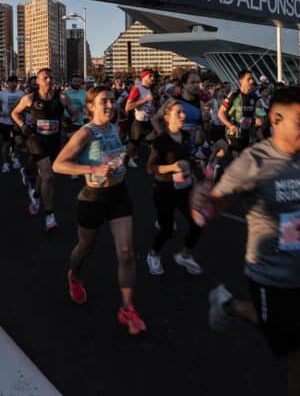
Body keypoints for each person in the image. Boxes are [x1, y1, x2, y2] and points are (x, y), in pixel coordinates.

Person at [192, 87, 300, 396]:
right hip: (268, 276)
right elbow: (215, 204)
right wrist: (203, 201)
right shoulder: (254, 161)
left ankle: (229, 304)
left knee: (277, 325)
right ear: (276, 120)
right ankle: (236, 306)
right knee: (299, 355)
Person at [52, 87, 146, 336]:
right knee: (86, 248)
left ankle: (127, 308)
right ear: (90, 107)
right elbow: (59, 164)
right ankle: (74, 275)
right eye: (104, 101)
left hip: (119, 196)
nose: (110, 105)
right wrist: (91, 169)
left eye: (112, 101)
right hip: (92, 198)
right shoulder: (85, 133)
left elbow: (116, 156)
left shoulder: (115, 129)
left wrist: (119, 163)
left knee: (126, 253)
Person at [11, 68, 77, 230]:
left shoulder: (62, 97)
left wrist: (68, 121)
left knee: (43, 173)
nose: (49, 80)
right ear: (38, 81)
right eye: (45, 78)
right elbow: (15, 113)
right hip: (35, 139)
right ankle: (50, 215)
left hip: (53, 140)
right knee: (48, 177)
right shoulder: (29, 98)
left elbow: (75, 114)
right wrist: (23, 126)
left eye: (51, 77)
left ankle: (36, 195)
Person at [146, 98, 204, 275]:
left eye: (183, 112)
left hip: (185, 188)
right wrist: (172, 167)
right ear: (167, 117)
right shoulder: (160, 141)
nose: (183, 115)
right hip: (165, 190)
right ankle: (153, 254)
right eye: (178, 112)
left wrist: (198, 163)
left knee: (197, 223)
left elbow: (188, 159)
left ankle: (186, 255)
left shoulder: (186, 137)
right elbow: (150, 168)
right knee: (167, 229)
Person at [218, 69, 258, 155]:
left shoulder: (254, 97)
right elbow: (220, 113)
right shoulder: (234, 95)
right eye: (249, 79)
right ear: (240, 81)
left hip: (247, 137)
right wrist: (230, 125)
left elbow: (253, 118)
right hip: (234, 136)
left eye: (252, 79)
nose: (252, 81)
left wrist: (254, 132)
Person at [125, 69, 156, 168]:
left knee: (155, 139)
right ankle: (128, 159)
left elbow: (149, 105)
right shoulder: (136, 88)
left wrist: (152, 109)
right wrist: (145, 100)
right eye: (150, 76)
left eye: (153, 76)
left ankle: (153, 161)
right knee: (134, 142)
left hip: (149, 120)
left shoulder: (149, 89)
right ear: (144, 77)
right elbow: (128, 107)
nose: (153, 78)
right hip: (139, 121)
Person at [0, 75, 24, 172]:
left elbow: (25, 107)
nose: (14, 84)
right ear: (8, 83)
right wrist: (1, 113)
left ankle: (15, 156)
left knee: (18, 142)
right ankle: (5, 163)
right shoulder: (2, 94)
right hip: (5, 122)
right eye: (12, 82)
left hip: (17, 122)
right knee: (6, 144)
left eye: (15, 82)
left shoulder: (21, 94)